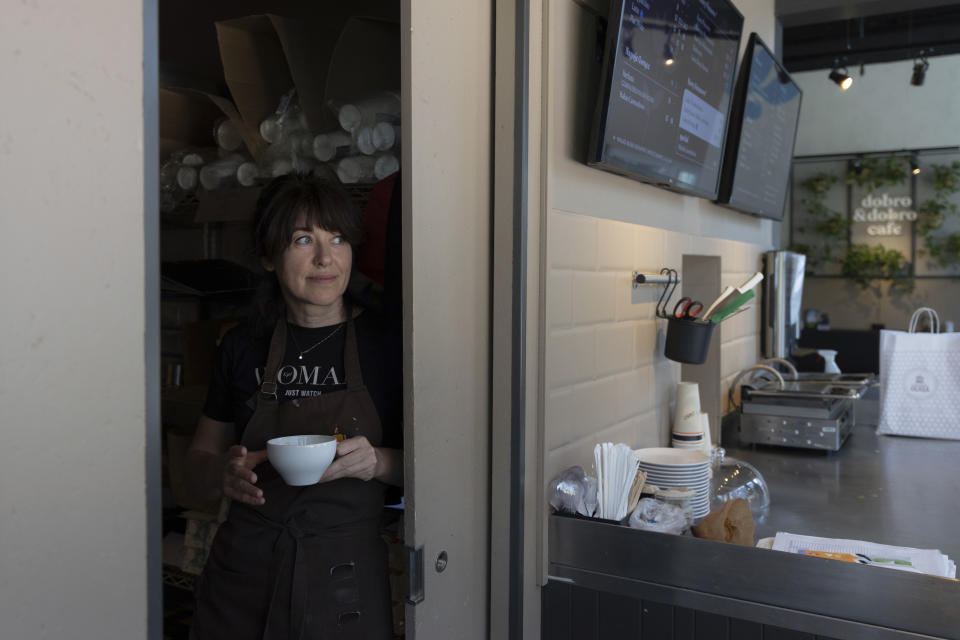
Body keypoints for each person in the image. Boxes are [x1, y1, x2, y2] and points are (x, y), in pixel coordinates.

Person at [186, 172, 403, 639]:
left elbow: (443, 477)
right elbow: (197, 464)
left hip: (344, 580)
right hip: (243, 577)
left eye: (338, 238)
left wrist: (378, 461)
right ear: (268, 255)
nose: (326, 258)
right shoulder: (241, 347)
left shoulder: (388, 348)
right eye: (303, 239)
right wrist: (221, 474)